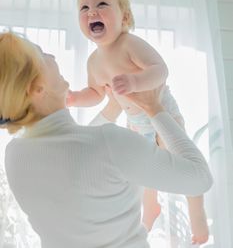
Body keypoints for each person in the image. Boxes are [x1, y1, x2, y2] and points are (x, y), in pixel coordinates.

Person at [0, 31, 213, 248]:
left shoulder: (15, 154)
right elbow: (200, 178)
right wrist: (155, 108)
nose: (53, 57)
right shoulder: (110, 143)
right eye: (43, 55)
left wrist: (112, 107)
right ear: (37, 89)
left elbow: (77, 158)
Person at [67, 0, 209, 244]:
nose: (91, 12)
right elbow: (96, 93)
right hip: (136, 123)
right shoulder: (94, 61)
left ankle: (197, 213)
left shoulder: (129, 43)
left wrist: (134, 82)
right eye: (84, 7)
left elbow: (160, 69)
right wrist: (76, 98)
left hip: (164, 115)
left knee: (183, 162)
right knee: (146, 167)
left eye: (102, 4)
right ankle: (151, 207)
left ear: (125, 17)